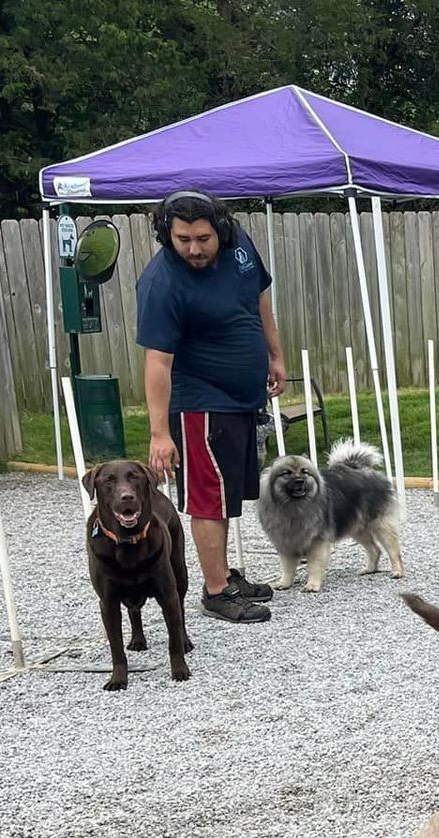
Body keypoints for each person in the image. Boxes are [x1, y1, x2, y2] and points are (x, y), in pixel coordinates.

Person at [135, 189, 285, 623]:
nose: (194, 249)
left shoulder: (239, 244)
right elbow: (157, 362)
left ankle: (223, 573)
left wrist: (275, 355)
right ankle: (217, 590)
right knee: (208, 497)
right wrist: (160, 433)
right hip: (200, 401)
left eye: (202, 238)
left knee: (231, 490)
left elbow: (258, 300)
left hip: (242, 396)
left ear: (219, 229)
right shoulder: (162, 283)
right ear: (168, 234)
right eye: (183, 239)